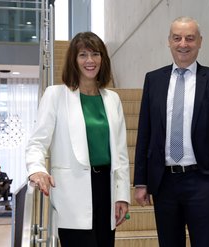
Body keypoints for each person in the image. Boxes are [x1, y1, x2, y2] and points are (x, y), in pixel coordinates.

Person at [134, 16, 209, 247]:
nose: (183, 44)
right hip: (164, 182)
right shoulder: (154, 80)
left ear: (200, 41)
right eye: (177, 38)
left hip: (201, 181)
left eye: (190, 38)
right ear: (168, 41)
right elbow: (145, 134)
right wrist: (141, 181)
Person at [25, 31, 130, 247]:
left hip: (106, 189)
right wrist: (36, 169)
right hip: (71, 192)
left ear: (103, 59)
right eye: (83, 55)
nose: (90, 61)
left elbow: (120, 153)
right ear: (74, 59)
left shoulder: (113, 99)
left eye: (95, 54)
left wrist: (122, 195)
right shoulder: (55, 95)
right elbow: (37, 143)